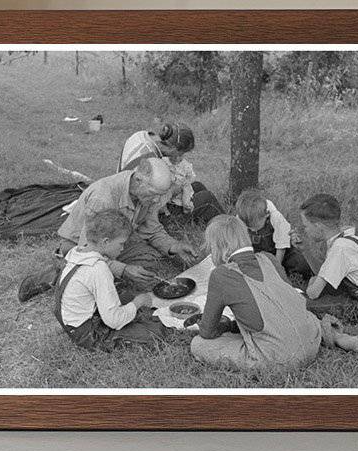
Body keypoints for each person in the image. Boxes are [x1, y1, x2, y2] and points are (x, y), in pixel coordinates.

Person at [16, 157, 194, 302]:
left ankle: (104, 277)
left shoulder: (147, 195)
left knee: (150, 261)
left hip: (114, 242)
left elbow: (152, 230)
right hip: (80, 247)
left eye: (160, 196)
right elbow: (87, 250)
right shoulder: (103, 198)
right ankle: (57, 272)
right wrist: (123, 269)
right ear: (139, 180)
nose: (157, 201)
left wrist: (174, 246)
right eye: (154, 194)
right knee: (97, 278)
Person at [186, 215, 322, 374]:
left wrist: (223, 326)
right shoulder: (269, 258)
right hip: (312, 340)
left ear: (218, 247)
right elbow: (282, 307)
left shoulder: (221, 275)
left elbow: (207, 332)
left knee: (199, 344)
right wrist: (232, 325)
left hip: (280, 358)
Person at [53, 210, 164, 351]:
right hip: (86, 333)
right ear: (105, 242)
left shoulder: (78, 251)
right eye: (121, 244)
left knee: (127, 296)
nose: (122, 248)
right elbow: (114, 321)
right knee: (155, 332)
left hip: (71, 321)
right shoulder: (97, 269)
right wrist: (138, 302)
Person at [290, 193, 358, 320]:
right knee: (314, 290)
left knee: (300, 303)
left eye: (306, 226)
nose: (305, 230)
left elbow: (313, 293)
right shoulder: (346, 238)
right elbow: (324, 274)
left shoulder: (340, 248)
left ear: (318, 226)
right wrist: (305, 250)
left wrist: (311, 285)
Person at [118, 123, 224, 225]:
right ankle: (227, 228)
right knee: (207, 198)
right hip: (143, 216)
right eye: (181, 153)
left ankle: (201, 222)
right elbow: (152, 203)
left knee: (197, 186)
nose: (180, 157)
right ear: (173, 149)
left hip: (123, 193)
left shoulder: (141, 135)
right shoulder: (150, 162)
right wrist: (174, 190)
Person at [234, 187, 292, 266]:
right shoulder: (241, 217)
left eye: (255, 226)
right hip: (255, 252)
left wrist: (276, 267)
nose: (253, 230)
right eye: (249, 227)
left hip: (276, 250)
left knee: (299, 262)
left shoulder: (276, 218)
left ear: (266, 214)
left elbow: (281, 245)